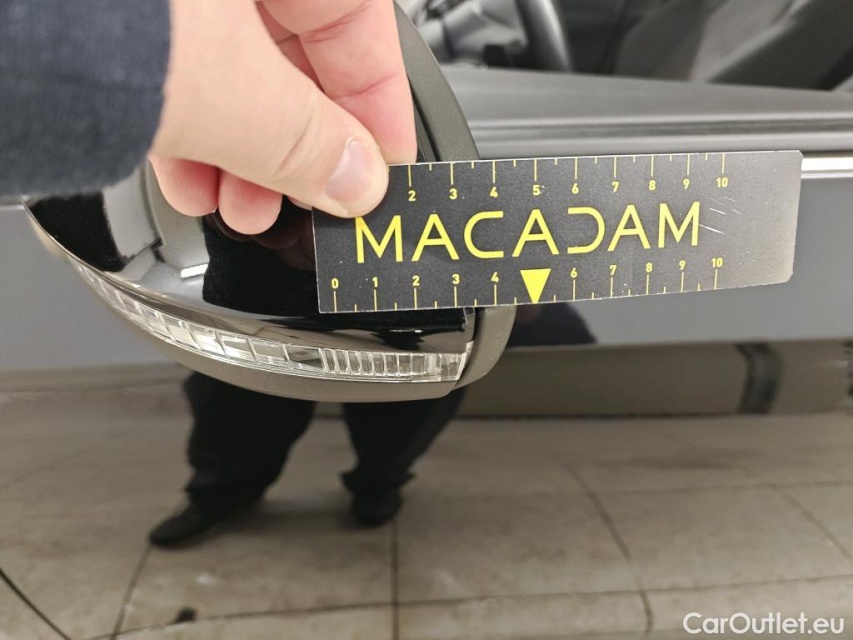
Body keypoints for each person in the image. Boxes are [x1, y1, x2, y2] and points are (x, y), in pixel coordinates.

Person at [0, 1, 462, 541]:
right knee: (235, 409)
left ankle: (378, 483)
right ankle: (219, 495)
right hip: (252, 265)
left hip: (406, 281)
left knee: (407, 404)